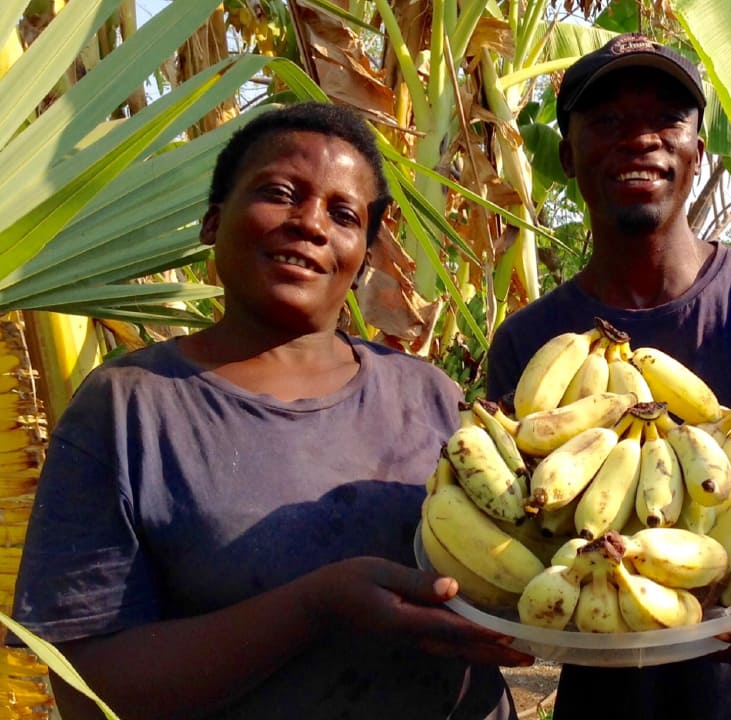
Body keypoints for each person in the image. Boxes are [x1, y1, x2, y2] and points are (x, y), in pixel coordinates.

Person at [9, 102, 531, 720]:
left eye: (343, 215)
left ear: (363, 255)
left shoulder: (429, 395)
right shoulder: (129, 408)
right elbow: (87, 690)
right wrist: (316, 606)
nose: (310, 223)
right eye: (281, 193)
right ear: (212, 221)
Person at [485, 34, 731, 720]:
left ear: (699, 149)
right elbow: (520, 532)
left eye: (666, 119)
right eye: (606, 121)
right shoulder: (529, 342)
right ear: (567, 154)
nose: (639, 140)